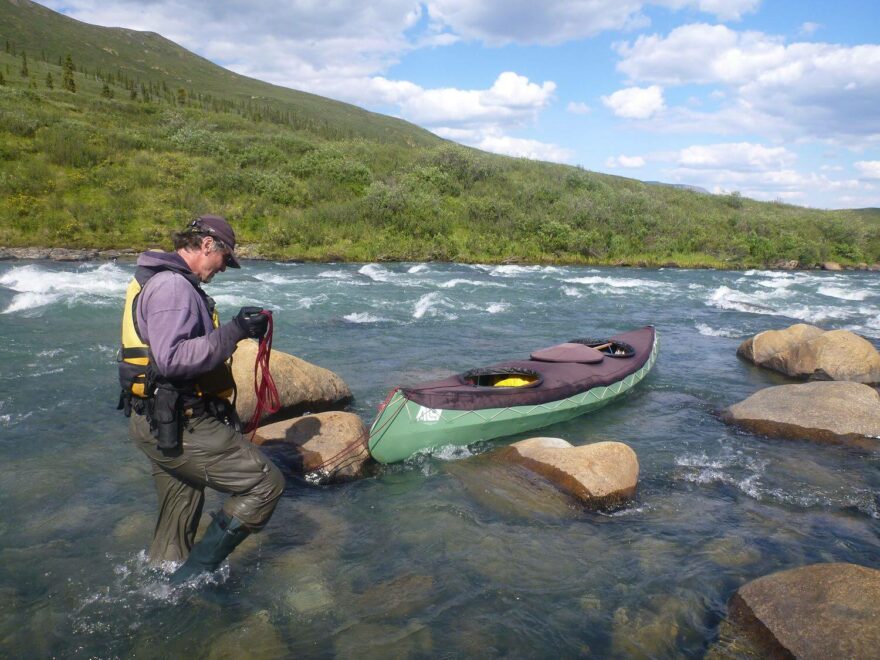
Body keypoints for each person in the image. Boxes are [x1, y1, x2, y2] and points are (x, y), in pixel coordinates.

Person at [117, 215, 284, 585]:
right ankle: (192, 578)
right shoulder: (173, 289)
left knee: (179, 513)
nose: (225, 268)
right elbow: (172, 359)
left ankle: (163, 590)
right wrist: (237, 331)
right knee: (266, 484)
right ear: (208, 244)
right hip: (179, 420)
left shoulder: (164, 281)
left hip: (159, 422)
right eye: (226, 259)